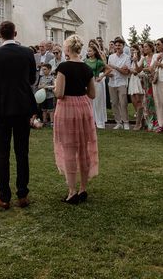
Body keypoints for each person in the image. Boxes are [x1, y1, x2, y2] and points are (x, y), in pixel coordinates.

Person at [0, 21, 37, 209]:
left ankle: (4, 197)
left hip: (3, 108)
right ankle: (22, 195)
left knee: (2, 154)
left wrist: (1, 90)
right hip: (23, 107)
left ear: (0, 35)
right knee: (22, 152)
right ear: (15, 33)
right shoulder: (27, 52)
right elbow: (32, 78)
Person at [54, 35, 98, 204]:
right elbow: (92, 94)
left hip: (67, 108)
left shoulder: (63, 67)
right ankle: (83, 188)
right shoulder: (87, 68)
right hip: (83, 107)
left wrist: (55, 87)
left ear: (68, 49)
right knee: (84, 148)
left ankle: (72, 191)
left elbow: (59, 93)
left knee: (69, 149)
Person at [107, 37, 131, 130]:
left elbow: (126, 72)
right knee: (114, 103)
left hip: (122, 83)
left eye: (119, 45)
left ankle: (126, 122)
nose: (117, 47)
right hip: (112, 83)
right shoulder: (111, 57)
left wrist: (116, 67)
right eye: (116, 45)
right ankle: (118, 122)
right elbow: (108, 69)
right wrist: (109, 74)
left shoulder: (127, 58)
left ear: (123, 46)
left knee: (123, 103)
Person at [85, 42, 106, 129]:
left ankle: (99, 122)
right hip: (88, 83)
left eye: (90, 51)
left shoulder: (99, 62)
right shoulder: (85, 61)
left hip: (96, 82)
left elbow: (108, 69)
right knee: (89, 103)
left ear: (94, 52)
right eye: (88, 51)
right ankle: (91, 121)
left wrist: (101, 76)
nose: (88, 53)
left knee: (97, 103)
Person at [140, 41, 157, 131]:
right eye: (144, 47)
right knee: (147, 102)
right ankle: (149, 122)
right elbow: (138, 69)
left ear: (151, 47)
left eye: (146, 47)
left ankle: (157, 122)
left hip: (155, 81)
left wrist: (145, 69)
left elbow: (152, 69)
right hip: (146, 83)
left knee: (155, 102)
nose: (144, 48)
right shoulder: (144, 58)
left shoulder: (155, 57)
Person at [128, 44, 145, 130]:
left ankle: (138, 124)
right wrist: (131, 70)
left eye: (133, 50)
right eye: (131, 50)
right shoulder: (131, 59)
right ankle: (142, 122)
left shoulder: (142, 58)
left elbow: (138, 70)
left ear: (137, 50)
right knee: (133, 101)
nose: (132, 52)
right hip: (132, 80)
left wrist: (135, 62)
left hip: (139, 80)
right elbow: (131, 70)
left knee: (139, 101)